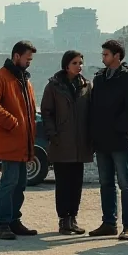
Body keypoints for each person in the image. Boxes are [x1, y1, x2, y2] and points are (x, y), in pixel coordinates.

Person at [0, 40, 39, 240]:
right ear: (16, 56)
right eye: (27, 59)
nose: (29, 63)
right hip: (10, 142)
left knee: (20, 184)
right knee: (9, 183)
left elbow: (29, 113)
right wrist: (12, 122)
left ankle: (14, 221)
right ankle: (3, 224)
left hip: (23, 143)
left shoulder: (25, 81)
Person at [87, 39, 128, 241]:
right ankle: (109, 223)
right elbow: (93, 107)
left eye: (106, 55)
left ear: (117, 56)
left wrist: (117, 128)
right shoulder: (100, 79)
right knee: (105, 183)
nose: (103, 58)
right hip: (101, 141)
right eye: (102, 55)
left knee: (125, 183)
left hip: (119, 141)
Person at [40, 50, 92, 235]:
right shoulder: (54, 86)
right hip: (61, 142)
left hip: (80, 143)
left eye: (80, 63)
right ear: (66, 66)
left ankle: (73, 219)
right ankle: (63, 220)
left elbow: (91, 112)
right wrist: (53, 134)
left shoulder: (86, 86)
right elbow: (46, 112)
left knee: (76, 183)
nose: (79, 66)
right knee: (63, 183)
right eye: (75, 63)